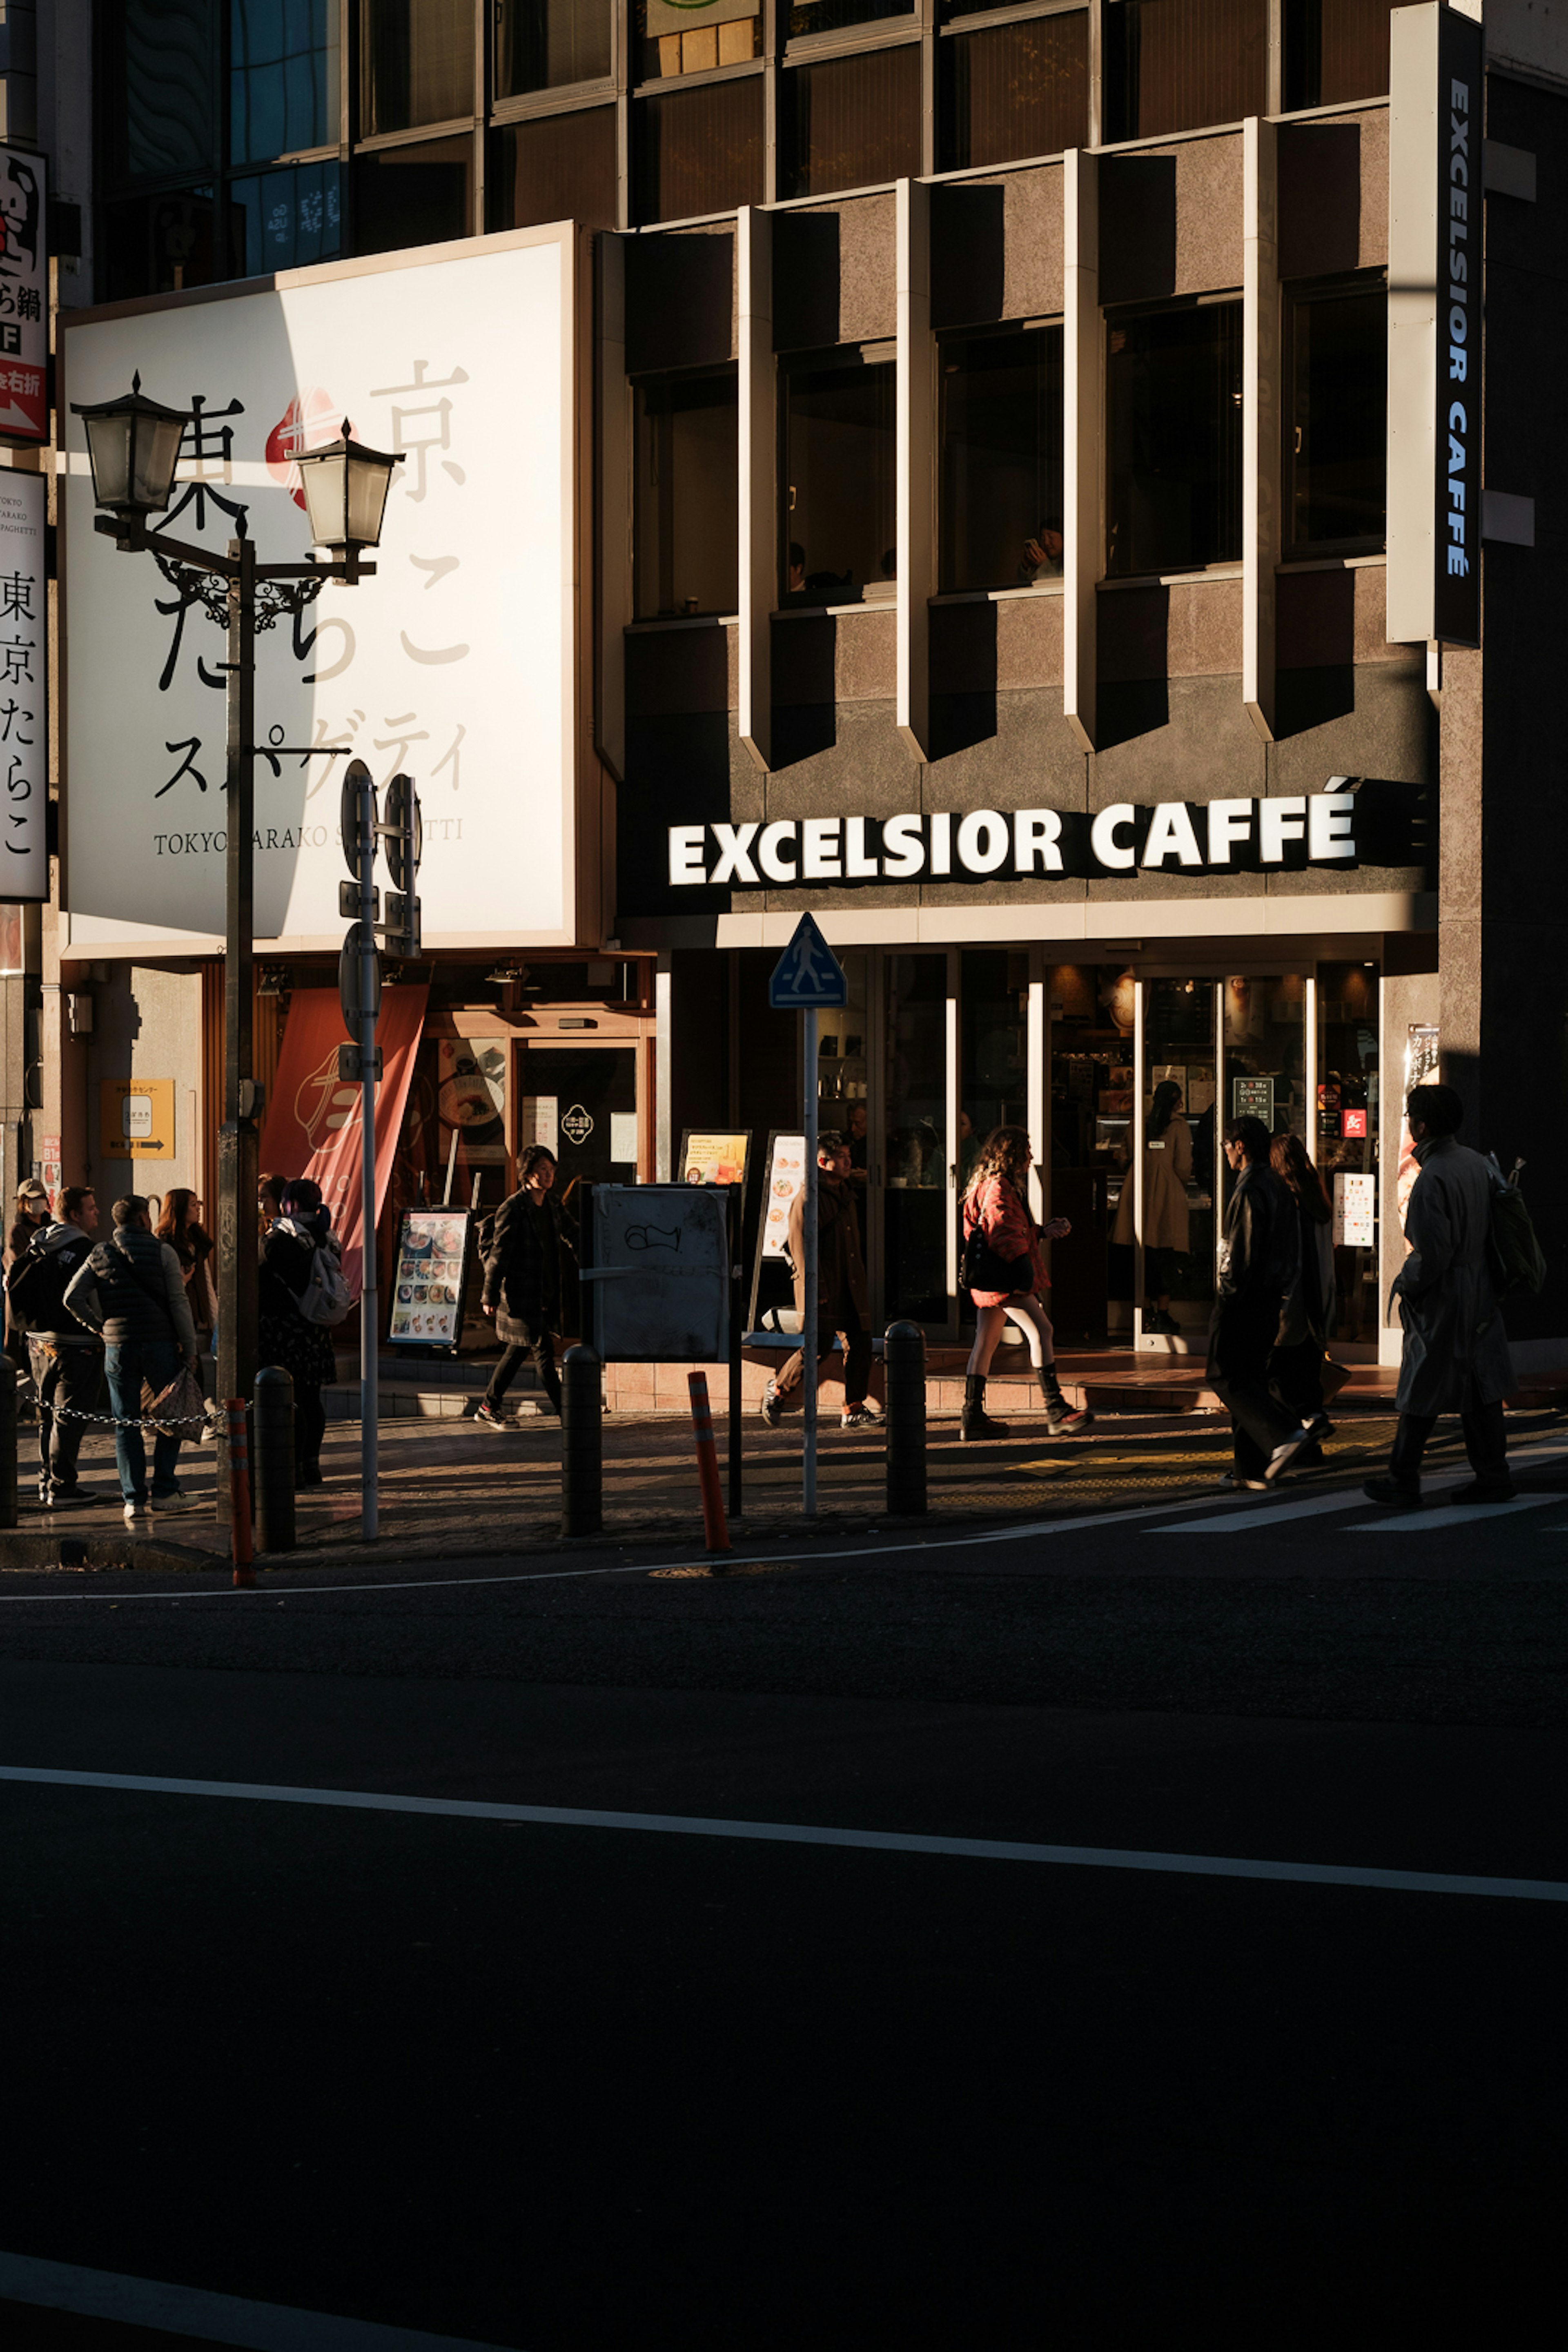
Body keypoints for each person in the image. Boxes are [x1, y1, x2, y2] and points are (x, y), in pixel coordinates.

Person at [1364, 1083, 1516, 1506]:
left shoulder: (1432, 1178)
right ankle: (1493, 1474)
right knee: (1480, 1385)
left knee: (1420, 1386)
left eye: (1411, 1116)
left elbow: (1432, 1254)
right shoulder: (1476, 1164)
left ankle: (1403, 1478)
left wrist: (1406, 1285)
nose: (1409, 1123)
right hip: (1480, 1287)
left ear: (1422, 1125)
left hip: (1445, 1296)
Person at [64, 1193, 199, 1526]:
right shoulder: (163, 1252)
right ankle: (166, 1490)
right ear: (142, 1219)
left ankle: (133, 1499)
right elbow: (179, 1302)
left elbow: (72, 1297)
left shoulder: (101, 1253)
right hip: (160, 1344)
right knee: (169, 1416)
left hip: (119, 1348)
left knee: (126, 1423)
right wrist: (190, 1346)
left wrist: (99, 1327)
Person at [1208, 1117, 1323, 1489]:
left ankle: (1283, 1434)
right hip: (1272, 1298)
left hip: (1245, 1299)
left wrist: (1228, 1295)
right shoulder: (1278, 1186)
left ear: (1241, 1145)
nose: (1224, 1151)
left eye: (1226, 1144)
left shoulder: (1250, 1189)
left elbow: (1241, 1255)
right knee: (1251, 1377)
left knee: (1224, 1372)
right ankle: (1250, 1469)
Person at [959, 1125, 1092, 1440]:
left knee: (986, 1340)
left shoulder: (985, 1184)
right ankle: (1056, 1410)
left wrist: (1043, 1231)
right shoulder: (1000, 1188)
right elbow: (1003, 1232)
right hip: (1006, 1278)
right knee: (1042, 1330)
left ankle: (972, 1415)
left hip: (990, 1277)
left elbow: (1002, 1230)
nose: (1031, 1157)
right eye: (1026, 1151)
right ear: (1012, 1155)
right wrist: (1023, 1269)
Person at [760, 1131, 881, 1432]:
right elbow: (801, 1247)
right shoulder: (809, 1197)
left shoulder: (847, 1193)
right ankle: (778, 1391)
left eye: (848, 1157)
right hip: (824, 1285)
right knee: (819, 1347)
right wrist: (817, 1288)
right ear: (823, 1162)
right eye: (841, 1158)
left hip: (850, 1283)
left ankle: (853, 1408)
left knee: (861, 1343)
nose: (848, 1162)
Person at [5, 1185, 105, 1507]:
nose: (97, 1213)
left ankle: (46, 1482)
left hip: (38, 1343)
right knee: (71, 1417)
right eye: (91, 1208)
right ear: (75, 1214)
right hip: (77, 1344)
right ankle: (62, 1488)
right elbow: (95, 1300)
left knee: (48, 1415)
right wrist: (101, 1330)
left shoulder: (39, 1243)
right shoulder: (87, 1250)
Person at [475, 1145, 577, 1428]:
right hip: (520, 1295)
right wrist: (490, 1295)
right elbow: (499, 1255)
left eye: (551, 1170)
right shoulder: (514, 1208)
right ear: (528, 1175)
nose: (549, 1175)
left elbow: (574, 1234)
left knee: (518, 1350)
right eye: (543, 1170)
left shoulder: (553, 1204)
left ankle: (488, 1405)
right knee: (543, 1351)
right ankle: (566, 1412)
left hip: (544, 1292)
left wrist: (593, 1262)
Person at [258, 1178, 341, 1488]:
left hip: (283, 1329)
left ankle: (292, 1467)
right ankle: (312, 1465)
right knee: (311, 1399)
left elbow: (261, 1276)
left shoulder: (281, 1239)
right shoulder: (327, 1236)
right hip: (315, 1328)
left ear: (287, 1204)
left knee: (288, 1402)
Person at [1269, 1131, 1336, 1459]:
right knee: (1307, 1373)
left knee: (1279, 1376)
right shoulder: (1318, 1200)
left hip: (1291, 1304)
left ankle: (1300, 1432)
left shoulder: (1287, 1202)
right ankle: (1313, 1429)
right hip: (1316, 1300)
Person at [1111, 1079, 1192, 1336]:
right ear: (1174, 1100)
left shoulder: (1138, 1122)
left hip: (1137, 1190)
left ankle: (1144, 1312)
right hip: (1168, 1195)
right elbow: (1183, 1166)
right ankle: (1164, 1314)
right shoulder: (1180, 1127)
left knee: (1141, 1254)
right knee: (1166, 1254)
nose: (1181, 1103)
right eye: (1179, 1098)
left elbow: (1123, 1156)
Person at [156, 1188, 216, 1348]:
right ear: (180, 1208)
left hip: (198, 1313)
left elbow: (207, 1281)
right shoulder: (166, 1243)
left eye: (199, 1204)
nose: (198, 1209)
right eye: (193, 1205)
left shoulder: (198, 1240)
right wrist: (181, 1282)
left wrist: (216, 1321)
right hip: (175, 1316)